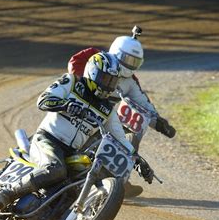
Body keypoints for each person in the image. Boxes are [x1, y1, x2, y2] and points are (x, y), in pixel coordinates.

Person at [0, 51, 153, 220]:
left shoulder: (107, 108)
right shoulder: (71, 82)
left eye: (113, 80)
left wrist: (138, 160)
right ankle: (8, 192)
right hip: (47, 139)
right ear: (93, 73)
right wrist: (66, 104)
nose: (109, 84)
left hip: (72, 152)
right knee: (55, 169)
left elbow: (120, 138)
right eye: (105, 78)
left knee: (87, 187)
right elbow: (43, 100)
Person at [67, 26, 176, 197]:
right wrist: (82, 85)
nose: (129, 65)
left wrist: (159, 122)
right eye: (127, 59)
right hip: (80, 106)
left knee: (123, 140)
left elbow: (143, 103)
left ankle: (117, 180)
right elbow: (75, 62)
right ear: (116, 52)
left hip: (105, 115)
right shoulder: (97, 58)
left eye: (134, 62)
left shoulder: (131, 81)